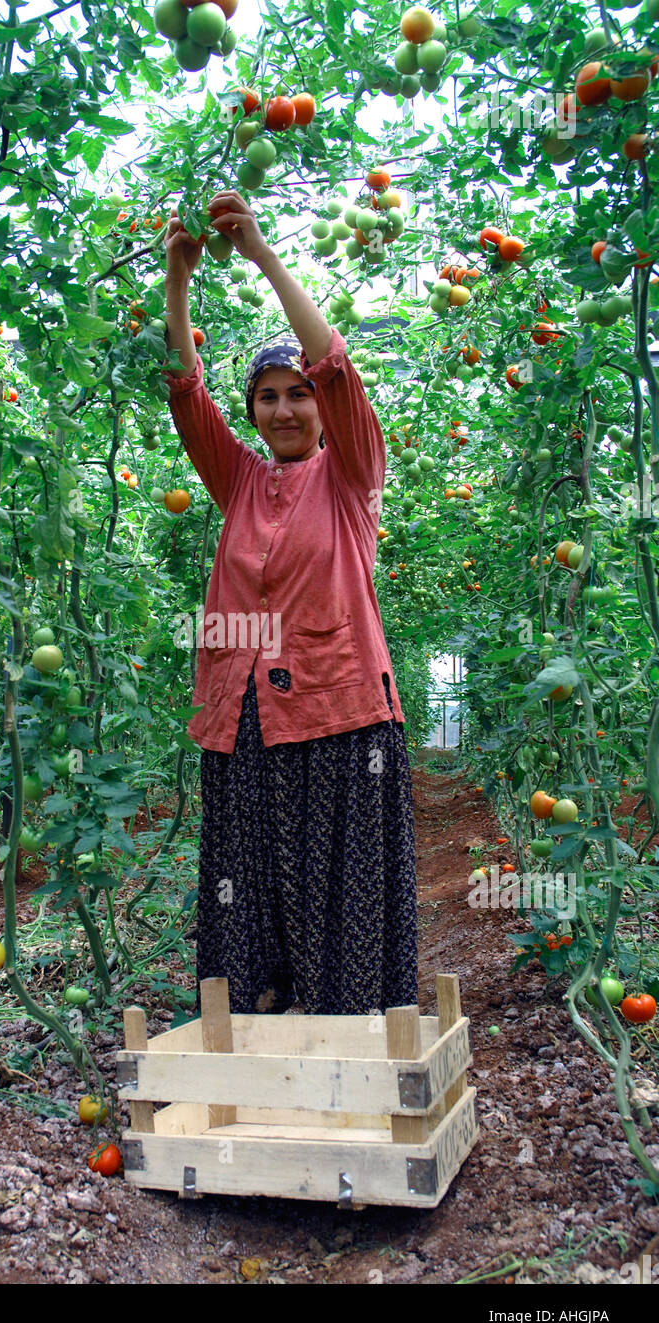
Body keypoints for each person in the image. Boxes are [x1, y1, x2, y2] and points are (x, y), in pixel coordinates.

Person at [162, 189, 417, 1017]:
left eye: (296, 394)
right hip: (242, 710)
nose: (283, 409)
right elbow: (184, 390)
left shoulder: (351, 473)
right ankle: (258, 1018)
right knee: (250, 871)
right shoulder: (237, 479)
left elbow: (337, 365)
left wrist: (264, 255)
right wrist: (179, 277)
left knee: (332, 870)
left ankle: (345, 1022)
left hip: (338, 706)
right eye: (266, 398)